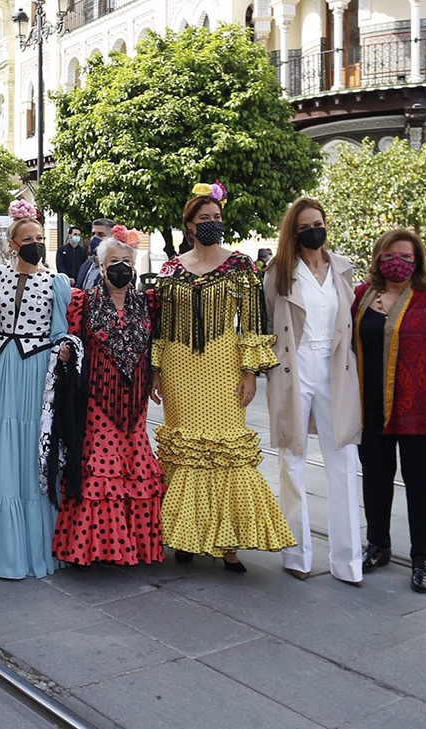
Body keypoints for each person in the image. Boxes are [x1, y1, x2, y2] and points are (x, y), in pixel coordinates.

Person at [150, 182, 294, 573]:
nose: (212, 223)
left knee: (227, 448)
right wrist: (156, 371)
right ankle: (185, 535)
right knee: (184, 451)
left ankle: (229, 543)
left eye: (217, 217)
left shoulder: (241, 266)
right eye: (204, 218)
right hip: (179, 369)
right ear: (190, 225)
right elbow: (162, 326)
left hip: (222, 366)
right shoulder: (171, 270)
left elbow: (253, 324)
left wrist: (250, 372)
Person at [0, 201, 72, 579]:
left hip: (35, 369)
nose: (36, 243)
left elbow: (59, 331)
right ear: (13, 244)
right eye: (29, 238)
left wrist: (67, 351)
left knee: (28, 443)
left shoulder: (57, 283)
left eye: (40, 237)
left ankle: (28, 544)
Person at [351, 228, 426, 594]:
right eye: (388, 256)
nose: (396, 263)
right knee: (374, 479)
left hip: (419, 409)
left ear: (416, 261)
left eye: (404, 256)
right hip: (370, 409)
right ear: (377, 259)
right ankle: (378, 546)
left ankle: (422, 559)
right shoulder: (361, 296)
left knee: (421, 485)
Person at [52, 226, 166, 567]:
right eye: (114, 262)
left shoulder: (148, 303)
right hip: (97, 398)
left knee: (135, 465)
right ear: (101, 268)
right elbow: (68, 344)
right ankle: (96, 548)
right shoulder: (81, 303)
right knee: (103, 469)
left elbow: (157, 347)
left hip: (135, 400)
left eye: (127, 262)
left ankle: (132, 545)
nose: (121, 268)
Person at [265, 198, 364, 585]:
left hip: (335, 368)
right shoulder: (279, 272)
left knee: (344, 461)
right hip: (294, 366)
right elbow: (270, 322)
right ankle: (297, 554)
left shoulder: (343, 269)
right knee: (293, 459)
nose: (313, 231)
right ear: (294, 231)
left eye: (318, 223)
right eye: (305, 226)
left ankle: (348, 561)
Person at [76, 219, 115, 290]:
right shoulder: (84, 267)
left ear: (112, 239)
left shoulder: (116, 269)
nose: (94, 238)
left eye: (101, 234)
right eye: (93, 234)